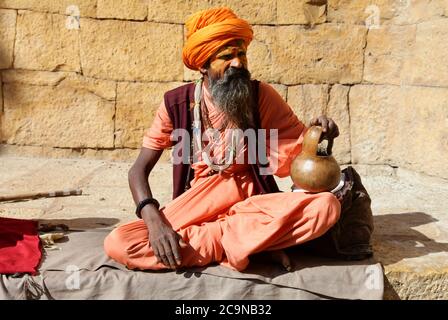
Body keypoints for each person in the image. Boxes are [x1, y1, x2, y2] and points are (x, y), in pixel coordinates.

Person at [104, 7, 341, 271]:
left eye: (242, 54)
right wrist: (154, 222)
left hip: (252, 204)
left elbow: (298, 159)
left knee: (326, 207)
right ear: (203, 65)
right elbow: (138, 170)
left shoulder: (261, 96)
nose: (238, 63)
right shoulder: (177, 104)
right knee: (120, 242)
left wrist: (317, 137)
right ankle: (249, 245)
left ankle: (225, 243)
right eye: (226, 57)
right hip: (198, 203)